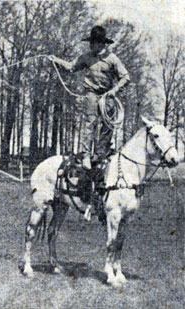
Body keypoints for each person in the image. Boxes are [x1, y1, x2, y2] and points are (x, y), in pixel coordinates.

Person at [49, 25, 130, 217]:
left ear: (102, 43)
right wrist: (56, 60)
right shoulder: (86, 57)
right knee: (89, 122)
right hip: (91, 94)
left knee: (107, 125)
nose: (93, 46)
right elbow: (70, 67)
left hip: (107, 95)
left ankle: (100, 153)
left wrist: (114, 91)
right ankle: (86, 154)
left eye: (96, 43)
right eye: (92, 43)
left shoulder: (112, 59)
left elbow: (126, 77)